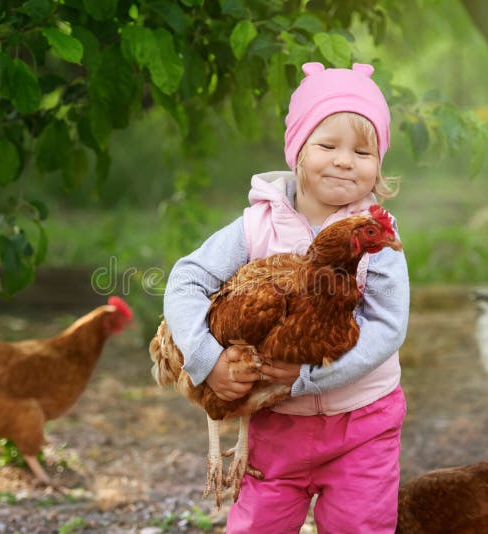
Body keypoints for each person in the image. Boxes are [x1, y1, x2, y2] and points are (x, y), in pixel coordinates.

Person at [162, 62, 410, 533]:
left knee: (363, 527)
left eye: (363, 150)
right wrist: (206, 359)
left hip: (363, 421)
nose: (344, 160)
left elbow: (389, 326)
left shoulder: (377, 235)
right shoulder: (257, 226)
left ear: (379, 164)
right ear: (297, 151)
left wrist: (311, 376)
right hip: (274, 427)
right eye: (327, 145)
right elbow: (186, 278)